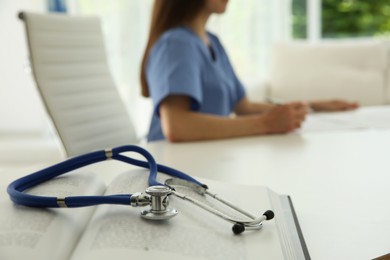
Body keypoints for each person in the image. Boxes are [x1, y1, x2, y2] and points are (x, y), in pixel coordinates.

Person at [140, 0, 358, 142]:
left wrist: (314, 106)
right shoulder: (176, 43)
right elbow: (177, 126)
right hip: (170, 167)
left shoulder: (212, 41)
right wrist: (266, 124)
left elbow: (245, 107)